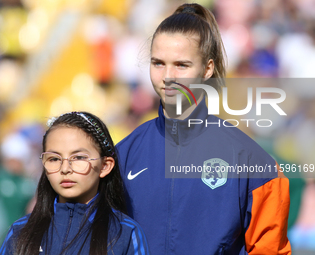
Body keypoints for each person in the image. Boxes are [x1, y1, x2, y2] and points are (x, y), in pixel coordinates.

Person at [116, 3, 291, 255]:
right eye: (158, 63)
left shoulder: (253, 162)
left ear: (208, 69)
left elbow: (270, 250)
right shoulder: (123, 155)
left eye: (181, 65)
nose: (168, 76)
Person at [0, 112, 149, 255]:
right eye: (54, 159)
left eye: (78, 158)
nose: (65, 169)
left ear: (105, 166)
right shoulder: (21, 231)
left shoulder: (125, 233)